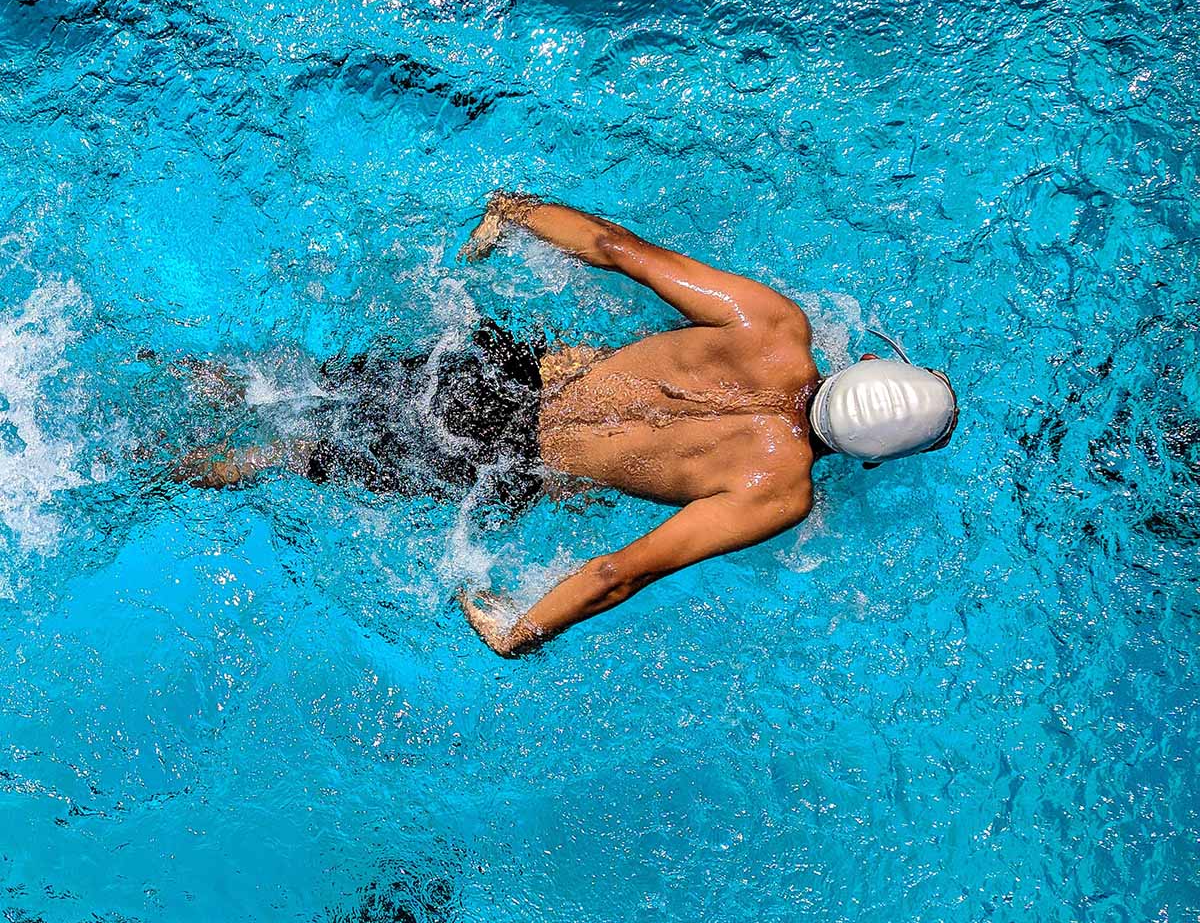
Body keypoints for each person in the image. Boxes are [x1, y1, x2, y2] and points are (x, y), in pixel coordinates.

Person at [177, 193, 958, 656]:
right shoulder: (779, 491)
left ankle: (173, 370)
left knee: (286, 386)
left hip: (495, 371)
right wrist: (522, 632)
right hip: (501, 460)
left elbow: (618, 250)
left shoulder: (774, 325)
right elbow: (622, 570)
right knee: (286, 457)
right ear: (873, 460)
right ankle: (149, 467)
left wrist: (514, 213)